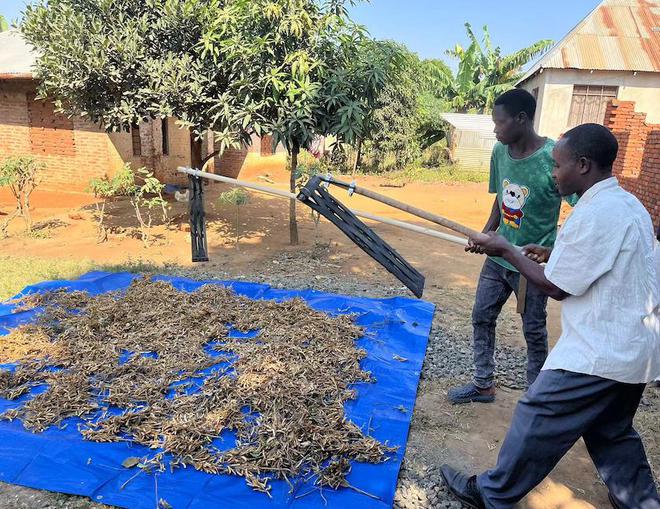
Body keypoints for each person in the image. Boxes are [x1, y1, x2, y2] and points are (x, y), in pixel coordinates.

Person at [441, 123, 660, 509]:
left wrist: (507, 250)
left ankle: (492, 494)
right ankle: (642, 503)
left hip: (601, 352)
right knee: (611, 432)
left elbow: (557, 287)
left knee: (536, 413)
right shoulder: (625, 205)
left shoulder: (595, 213)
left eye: (558, 166)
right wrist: (549, 253)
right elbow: (597, 263)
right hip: (637, 349)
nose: (553, 173)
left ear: (584, 165)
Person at [449, 89, 574, 404]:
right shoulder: (499, 153)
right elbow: (500, 199)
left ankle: (536, 397)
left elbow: (582, 205)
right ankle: (483, 384)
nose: (495, 129)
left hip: (532, 265)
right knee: (481, 316)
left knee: (533, 331)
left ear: (521, 119)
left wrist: (555, 247)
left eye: (499, 122)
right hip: (498, 258)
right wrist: (486, 233)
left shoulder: (553, 159)